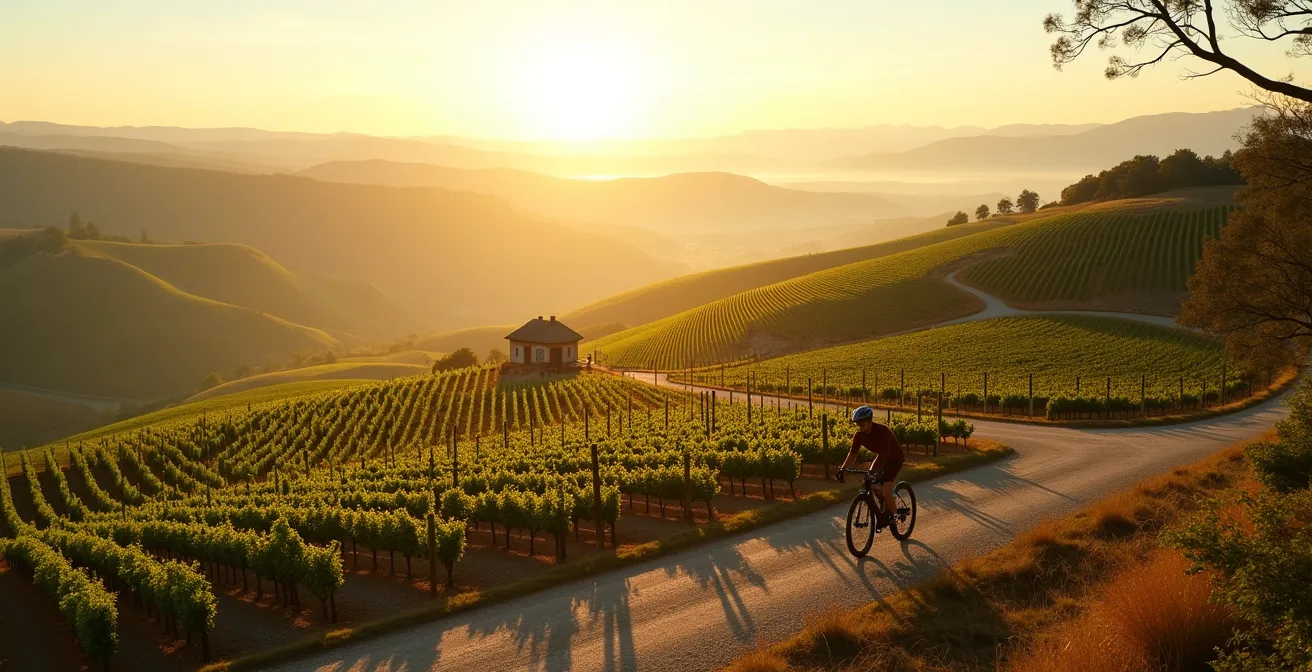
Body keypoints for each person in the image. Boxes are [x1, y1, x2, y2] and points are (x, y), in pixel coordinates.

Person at [837, 405, 905, 529]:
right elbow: (853, 454)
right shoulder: (859, 435)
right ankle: (884, 503)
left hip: (894, 459)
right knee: (871, 483)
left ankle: (895, 516)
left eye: (862, 423)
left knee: (887, 489)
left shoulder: (883, 431)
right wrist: (842, 469)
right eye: (858, 424)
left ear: (869, 421)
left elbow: (885, 454)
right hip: (882, 457)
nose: (860, 426)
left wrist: (874, 472)